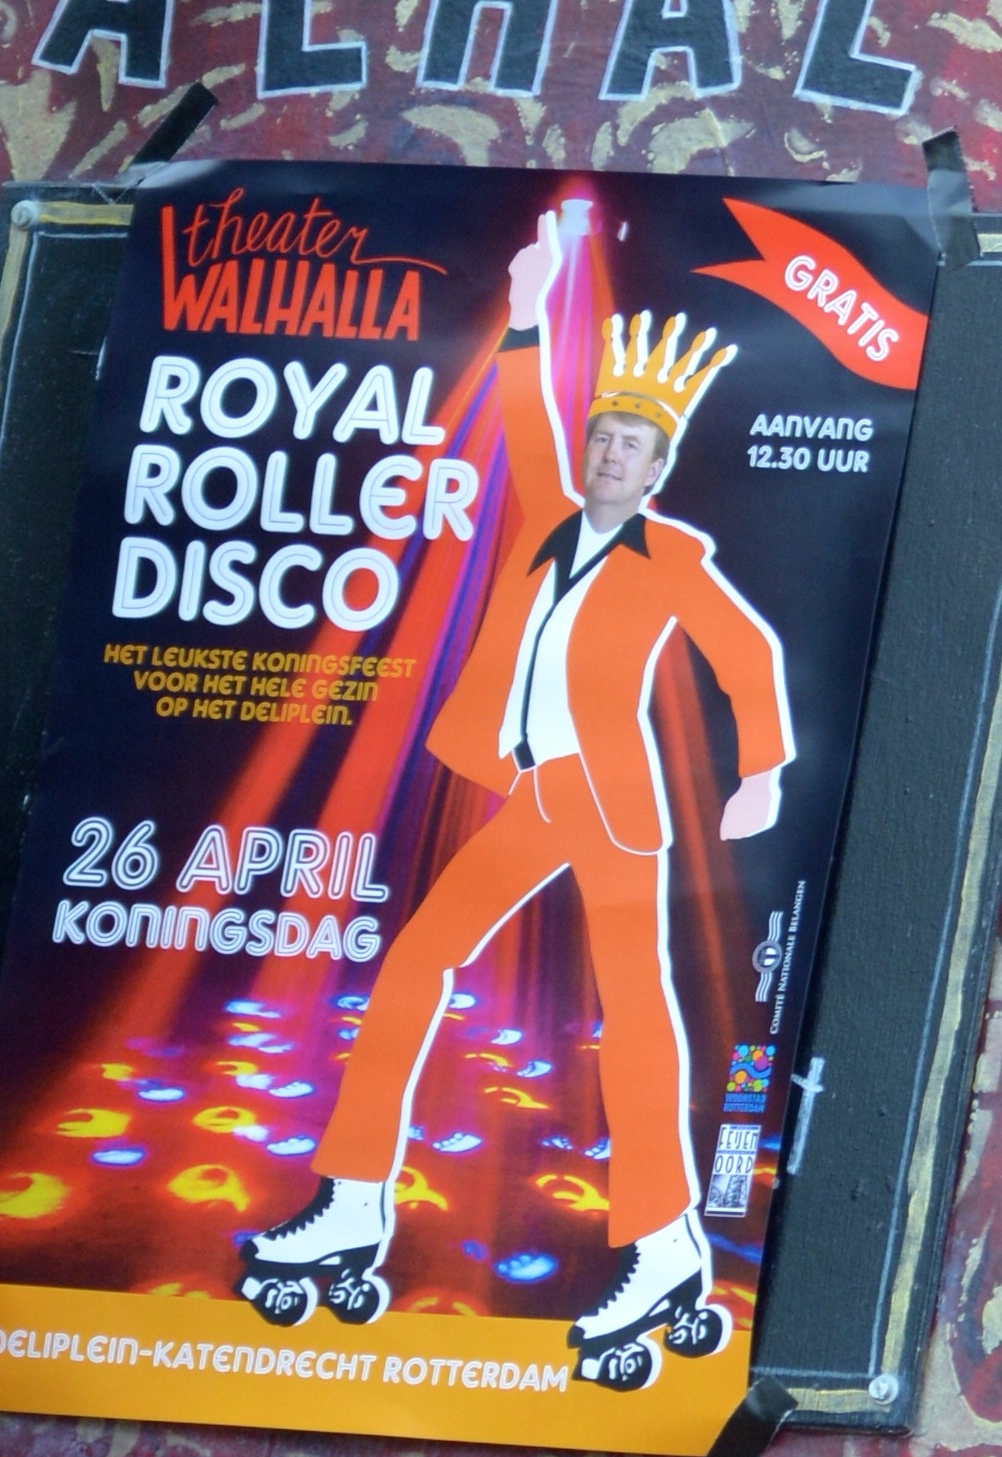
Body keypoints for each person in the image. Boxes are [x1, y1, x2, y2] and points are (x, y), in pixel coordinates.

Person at [239, 204, 791, 1376]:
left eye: (629, 449)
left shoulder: (670, 559)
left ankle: (661, 1241)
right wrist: (537, 310)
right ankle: (350, 1198)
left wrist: (764, 772)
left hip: (615, 808)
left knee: (632, 1015)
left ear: (657, 469)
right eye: (601, 439)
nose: (605, 456)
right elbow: (519, 413)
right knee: (412, 965)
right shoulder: (548, 524)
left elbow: (746, 657)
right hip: (539, 794)